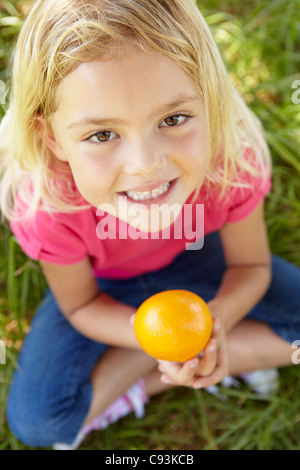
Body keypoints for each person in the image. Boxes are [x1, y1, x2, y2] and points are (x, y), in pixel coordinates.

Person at [0, 0, 299, 450]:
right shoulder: (49, 206)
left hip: (202, 265)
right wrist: (160, 341)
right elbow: (81, 307)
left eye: (173, 119)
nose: (145, 165)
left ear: (211, 104)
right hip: (106, 293)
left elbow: (251, 267)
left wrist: (211, 326)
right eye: (102, 135)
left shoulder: (229, 166)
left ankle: (180, 367)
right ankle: (159, 368)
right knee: (38, 423)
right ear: (53, 139)